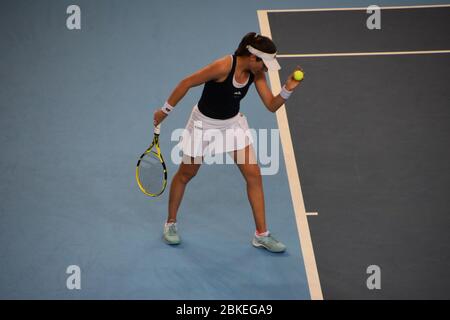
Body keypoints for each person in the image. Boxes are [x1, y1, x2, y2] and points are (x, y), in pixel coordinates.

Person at [153, 32, 303, 253]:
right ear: (253, 57)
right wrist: (164, 111)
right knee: (187, 173)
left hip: (232, 125)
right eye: (265, 63)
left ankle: (261, 235)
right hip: (203, 125)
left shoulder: (256, 73)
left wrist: (287, 89)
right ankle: (170, 223)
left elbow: (271, 105)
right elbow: (187, 83)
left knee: (254, 175)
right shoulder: (223, 66)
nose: (266, 68)